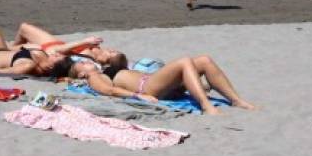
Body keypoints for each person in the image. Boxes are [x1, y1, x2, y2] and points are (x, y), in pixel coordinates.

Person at [71, 53, 256, 115]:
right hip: (148, 86)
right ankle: (206, 105)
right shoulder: (94, 77)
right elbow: (109, 90)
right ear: (81, 73)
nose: (85, 62)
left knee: (204, 60)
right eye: (81, 63)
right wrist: (138, 95)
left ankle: (236, 100)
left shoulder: (105, 69)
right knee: (184, 61)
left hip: (155, 81)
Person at [0, 13, 72, 78]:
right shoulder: (44, 56)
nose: (56, 54)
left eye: (57, 57)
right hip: (0, 49)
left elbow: (9, 72)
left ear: (50, 67)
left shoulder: (28, 65)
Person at [10, 21, 126, 66]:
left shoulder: (91, 59)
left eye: (111, 53)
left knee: (6, 50)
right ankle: (13, 47)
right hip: (56, 44)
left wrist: (85, 42)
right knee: (24, 28)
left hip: (50, 50)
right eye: (114, 51)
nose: (111, 49)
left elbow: (59, 52)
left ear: (106, 61)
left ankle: (9, 49)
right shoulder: (97, 52)